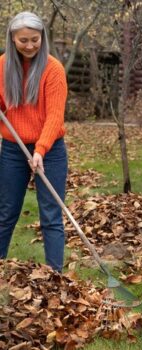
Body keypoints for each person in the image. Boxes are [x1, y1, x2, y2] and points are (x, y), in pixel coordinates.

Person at [0, 12, 68, 272]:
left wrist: (40, 150)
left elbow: (54, 116)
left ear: (43, 38)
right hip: (12, 151)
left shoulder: (53, 69)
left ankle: (55, 276)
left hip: (51, 151)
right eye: (23, 40)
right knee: (5, 214)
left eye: (35, 40)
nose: (29, 46)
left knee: (51, 216)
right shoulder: (3, 66)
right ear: (12, 39)